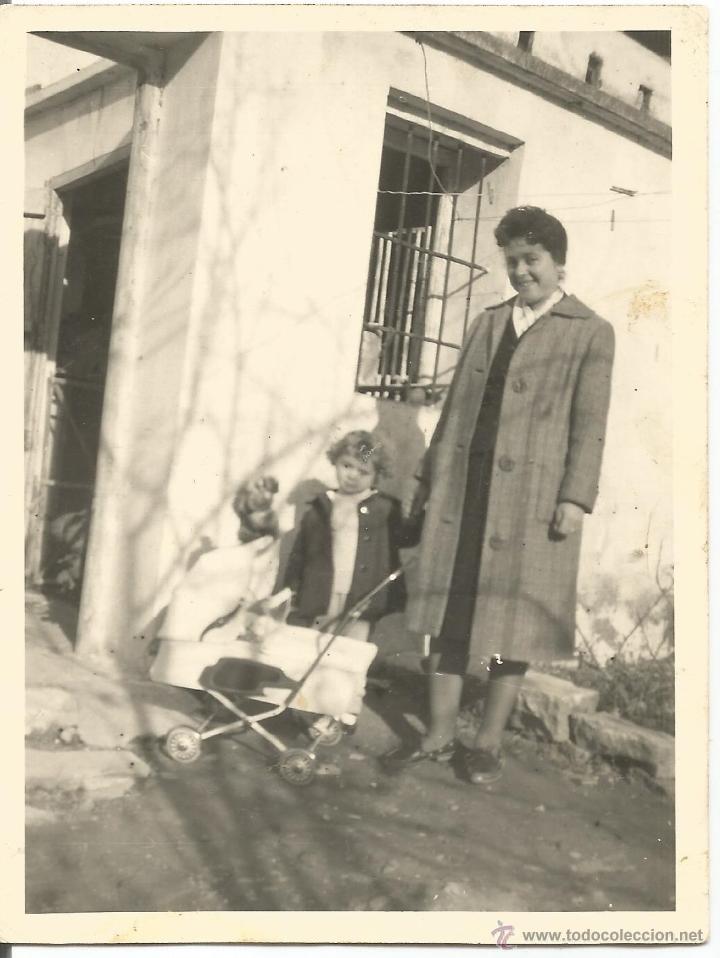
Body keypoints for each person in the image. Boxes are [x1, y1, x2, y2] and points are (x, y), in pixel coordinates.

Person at [381, 206, 615, 784]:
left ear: (558, 263)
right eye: (512, 261)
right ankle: (437, 735)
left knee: (516, 626)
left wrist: (574, 497)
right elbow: (457, 408)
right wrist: (428, 481)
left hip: (533, 500)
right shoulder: (489, 323)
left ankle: (486, 742)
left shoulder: (589, 331)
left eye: (531, 260)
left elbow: (591, 424)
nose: (521, 272)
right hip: (466, 494)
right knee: (447, 613)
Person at [283, 429, 422, 730]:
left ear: (377, 474)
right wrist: (290, 590)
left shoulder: (385, 508)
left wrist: (420, 509)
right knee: (321, 650)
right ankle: (318, 705)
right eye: (347, 465)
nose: (353, 476)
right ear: (335, 463)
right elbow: (301, 553)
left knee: (353, 655)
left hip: (362, 596)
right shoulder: (322, 506)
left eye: (363, 470)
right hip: (322, 594)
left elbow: (408, 537)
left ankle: (347, 711)